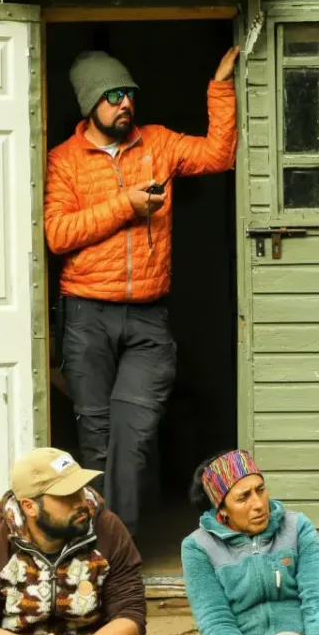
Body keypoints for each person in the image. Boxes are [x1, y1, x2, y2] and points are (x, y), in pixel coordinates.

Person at [44, 46, 240, 541]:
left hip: (149, 316)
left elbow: (219, 153)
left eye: (129, 93)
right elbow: (58, 234)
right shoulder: (65, 161)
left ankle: (119, 549)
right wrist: (125, 206)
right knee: (96, 437)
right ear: (91, 104)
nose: (124, 103)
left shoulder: (158, 144)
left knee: (133, 439)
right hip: (87, 314)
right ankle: (98, 544)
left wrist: (218, 83)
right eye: (112, 95)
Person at [0, 447, 168, 635]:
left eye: (80, 491)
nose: (81, 503)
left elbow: (130, 618)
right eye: (66, 496)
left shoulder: (107, 528)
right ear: (29, 507)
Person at [180, 450, 319, 635]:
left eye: (260, 489)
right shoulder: (198, 547)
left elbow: (318, 598)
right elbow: (215, 620)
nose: (258, 504)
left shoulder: (297, 528)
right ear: (221, 509)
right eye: (243, 497)